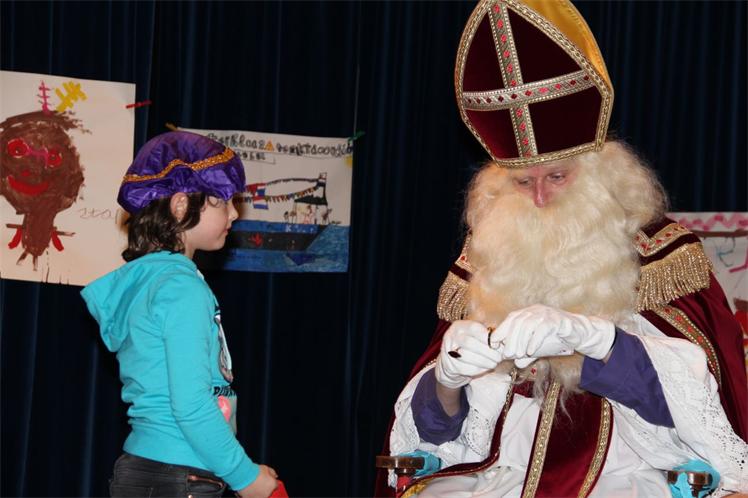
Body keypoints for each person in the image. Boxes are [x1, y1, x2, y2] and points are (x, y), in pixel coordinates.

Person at [377, 0, 748, 496]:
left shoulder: (663, 254)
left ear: (599, 172)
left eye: (556, 177)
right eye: (521, 181)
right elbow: (437, 432)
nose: (539, 198)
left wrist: (597, 343)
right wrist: (445, 381)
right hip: (496, 477)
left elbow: (704, 405)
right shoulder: (487, 255)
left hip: (629, 476)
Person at [81, 131, 278, 498]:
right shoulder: (181, 288)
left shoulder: (149, 282)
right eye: (223, 201)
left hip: (148, 469)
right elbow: (191, 405)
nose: (235, 213)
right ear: (181, 205)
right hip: (180, 477)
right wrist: (246, 477)